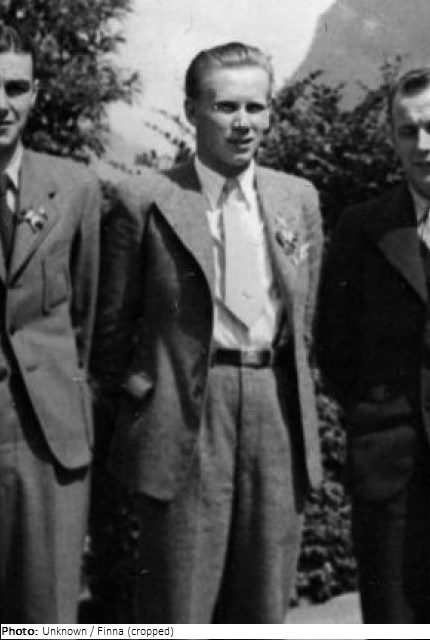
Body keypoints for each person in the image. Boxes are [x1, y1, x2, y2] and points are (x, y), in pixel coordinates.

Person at [94, 41, 322, 623]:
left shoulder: (297, 199)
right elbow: (110, 330)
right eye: (225, 106)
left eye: (255, 106)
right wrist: (148, 399)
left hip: (274, 405)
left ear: (270, 113)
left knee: (264, 603)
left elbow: (304, 318)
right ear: (192, 110)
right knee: (179, 603)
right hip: (184, 413)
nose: (243, 122)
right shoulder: (147, 198)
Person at [317, 67, 430, 623]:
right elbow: (335, 344)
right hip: (392, 468)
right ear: (392, 138)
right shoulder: (362, 227)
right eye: (408, 131)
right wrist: (378, 415)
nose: (423, 145)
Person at [0, 22, 100, 622]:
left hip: (49, 431)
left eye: (15, 88)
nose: (0, 105)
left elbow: (89, 309)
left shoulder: (75, 186)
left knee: (46, 614)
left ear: (34, 94)